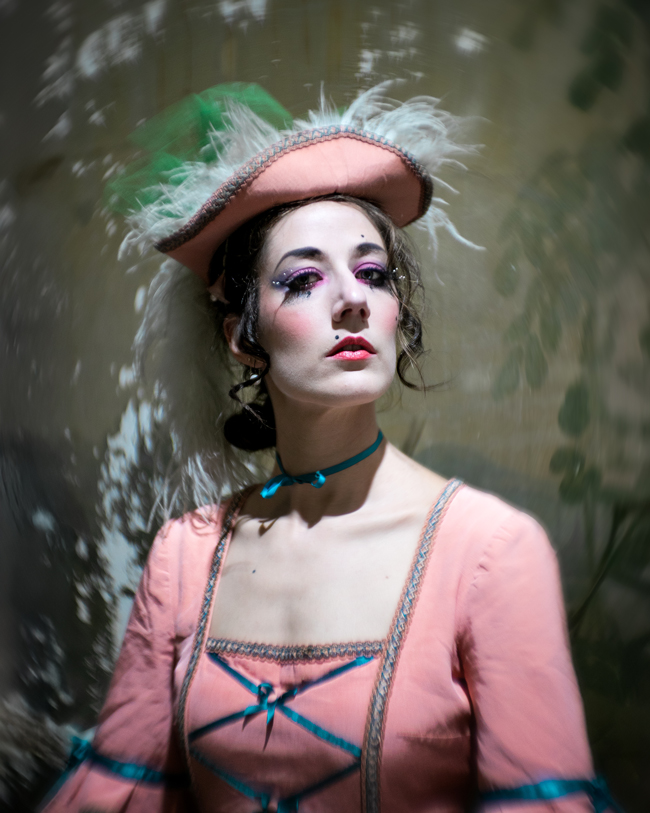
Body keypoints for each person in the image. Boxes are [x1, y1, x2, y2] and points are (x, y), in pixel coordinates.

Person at [42, 83, 618, 813]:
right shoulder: (185, 557)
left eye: (373, 273)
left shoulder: (489, 551)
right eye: (303, 279)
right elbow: (117, 793)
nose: (353, 299)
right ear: (242, 335)